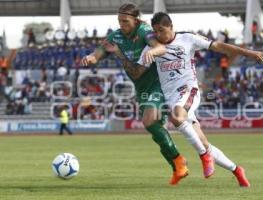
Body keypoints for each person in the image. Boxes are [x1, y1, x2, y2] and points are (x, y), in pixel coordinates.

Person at [102, 12, 263, 187]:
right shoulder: (151, 49)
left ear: (171, 27)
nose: (159, 35)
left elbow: (219, 46)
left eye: (162, 30)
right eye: (156, 32)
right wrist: (119, 54)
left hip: (189, 90)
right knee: (203, 142)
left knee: (176, 116)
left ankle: (204, 157)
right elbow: (136, 73)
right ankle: (237, 170)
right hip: (172, 98)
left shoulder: (188, 38)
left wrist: (248, 52)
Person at [81, 3, 214, 185]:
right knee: (153, 129)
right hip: (141, 87)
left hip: (158, 84)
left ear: (135, 20)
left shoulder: (145, 31)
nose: (121, 24)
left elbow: (160, 47)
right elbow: (101, 50)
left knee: (149, 120)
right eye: (119, 21)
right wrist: (92, 57)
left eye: (125, 21)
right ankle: (178, 164)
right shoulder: (116, 36)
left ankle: (184, 159)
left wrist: (152, 51)